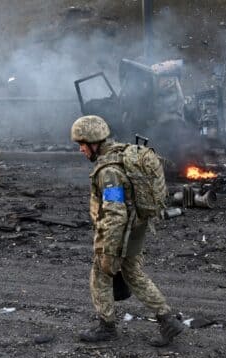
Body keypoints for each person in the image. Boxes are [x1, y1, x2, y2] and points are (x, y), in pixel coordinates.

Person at [71, 115, 186, 346]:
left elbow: (115, 213)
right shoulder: (122, 153)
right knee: (133, 274)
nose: (81, 149)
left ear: (94, 142)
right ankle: (167, 319)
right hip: (135, 227)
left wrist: (108, 249)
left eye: (82, 144)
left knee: (100, 275)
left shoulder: (109, 172)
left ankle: (107, 327)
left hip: (120, 231)